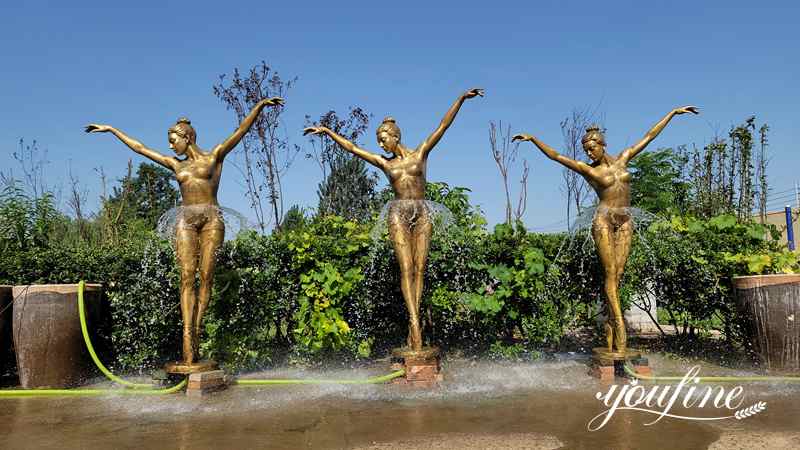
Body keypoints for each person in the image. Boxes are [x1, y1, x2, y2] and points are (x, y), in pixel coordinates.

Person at [85, 96, 284, 367]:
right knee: (187, 276)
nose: (170, 145)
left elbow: (240, 131)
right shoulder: (176, 165)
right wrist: (112, 130)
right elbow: (140, 149)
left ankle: (197, 327)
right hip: (186, 221)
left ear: (187, 138)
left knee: (207, 276)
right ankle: (187, 332)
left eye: (173, 140)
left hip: (212, 219)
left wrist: (259, 106)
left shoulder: (214, 156)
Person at [303, 88, 483, 351]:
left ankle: (416, 321)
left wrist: (460, 100)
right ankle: (413, 323)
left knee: (420, 268)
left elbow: (442, 126)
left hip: (422, 212)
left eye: (383, 138)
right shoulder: (385, 164)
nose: (380, 144)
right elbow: (353, 148)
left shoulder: (420, 153)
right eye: (378, 139)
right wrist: (328, 132)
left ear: (395, 137)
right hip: (398, 213)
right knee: (406, 268)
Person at [513, 105, 698, 354]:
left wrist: (673, 114)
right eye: (586, 150)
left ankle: (610, 327)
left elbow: (649, 136)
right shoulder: (589, 170)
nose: (589, 153)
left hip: (625, 221)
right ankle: (620, 326)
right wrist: (534, 139)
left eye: (593, 148)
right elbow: (556, 156)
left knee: (617, 275)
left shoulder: (624, 158)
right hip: (603, 220)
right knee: (610, 272)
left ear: (602, 144)